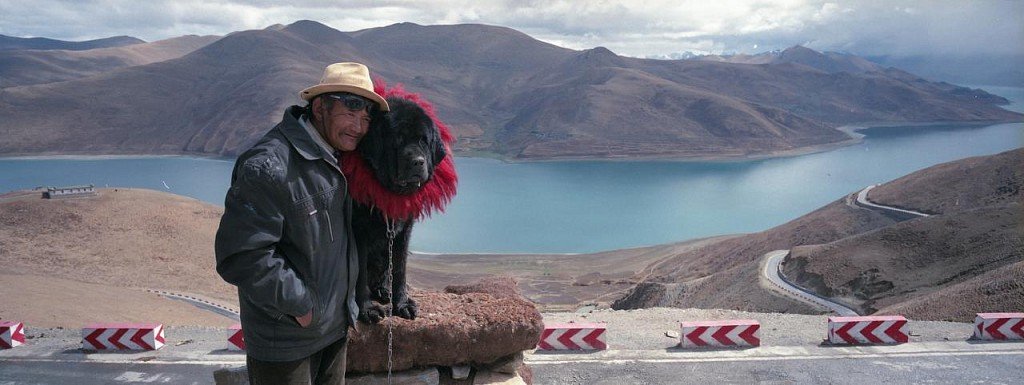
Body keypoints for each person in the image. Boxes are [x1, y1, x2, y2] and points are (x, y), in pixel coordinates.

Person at [215, 62, 390, 385]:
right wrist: (301, 305)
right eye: (350, 113)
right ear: (320, 107)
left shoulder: (337, 159)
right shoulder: (270, 166)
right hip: (286, 341)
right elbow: (241, 255)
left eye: (366, 118)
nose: (358, 127)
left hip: (333, 330)